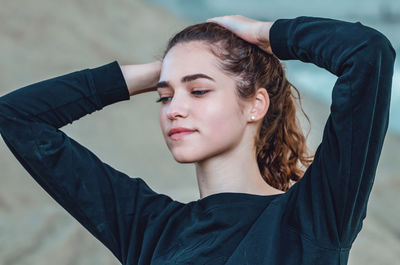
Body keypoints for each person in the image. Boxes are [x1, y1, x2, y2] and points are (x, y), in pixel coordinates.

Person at [0, 14, 395, 265]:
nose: (173, 109)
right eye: (165, 95)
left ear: (255, 105)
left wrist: (263, 32)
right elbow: (17, 116)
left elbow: (367, 53)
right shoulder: (150, 230)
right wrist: (166, 68)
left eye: (199, 90)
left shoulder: (314, 217)